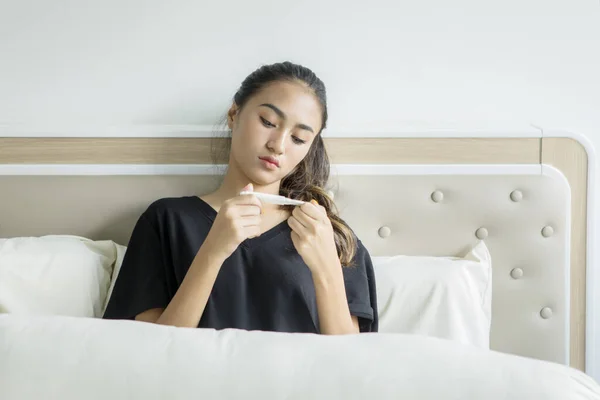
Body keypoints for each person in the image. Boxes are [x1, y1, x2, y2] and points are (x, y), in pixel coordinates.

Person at [103, 61, 378, 334]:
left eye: (298, 138)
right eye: (268, 122)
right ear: (234, 114)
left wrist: (326, 267)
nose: (278, 145)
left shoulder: (328, 235)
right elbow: (147, 351)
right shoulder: (167, 221)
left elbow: (351, 364)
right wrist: (212, 251)